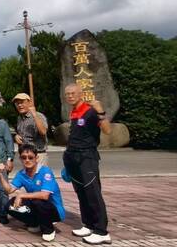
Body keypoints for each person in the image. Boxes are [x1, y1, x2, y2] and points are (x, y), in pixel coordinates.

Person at [63, 84, 112, 245]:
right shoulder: (74, 112)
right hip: (73, 157)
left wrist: (101, 111)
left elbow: (107, 130)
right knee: (81, 193)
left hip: (87, 157)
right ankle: (88, 224)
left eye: (73, 93)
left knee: (93, 193)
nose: (70, 96)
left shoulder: (90, 111)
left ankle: (101, 231)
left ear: (81, 94)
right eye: (68, 94)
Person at [0, 144, 65, 242]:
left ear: (36, 158)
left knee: (38, 201)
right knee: (9, 206)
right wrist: (0, 174)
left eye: (30, 157)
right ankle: (35, 223)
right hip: (36, 206)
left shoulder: (45, 171)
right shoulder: (21, 174)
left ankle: (48, 230)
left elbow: (44, 196)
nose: (27, 160)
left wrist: (21, 195)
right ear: (20, 159)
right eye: (24, 157)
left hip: (55, 211)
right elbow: (9, 190)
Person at [13, 93, 49, 166]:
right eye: (17, 103)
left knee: (39, 177)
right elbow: (21, 133)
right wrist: (16, 136)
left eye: (22, 102)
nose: (19, 105)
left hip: (38, 155)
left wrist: (34, 115)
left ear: (29, 103)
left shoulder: (39, 116)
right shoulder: (20, 118)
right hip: (25, 155)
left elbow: (43, 132)